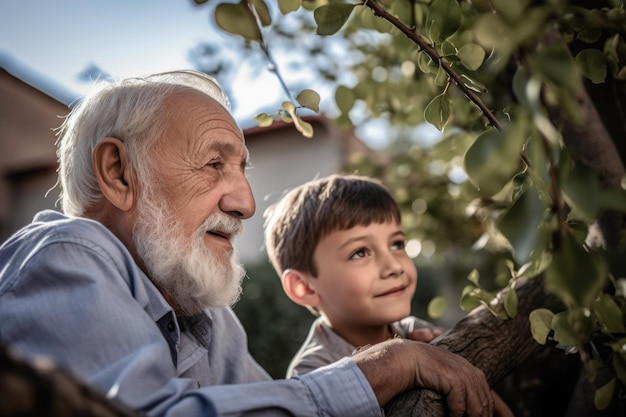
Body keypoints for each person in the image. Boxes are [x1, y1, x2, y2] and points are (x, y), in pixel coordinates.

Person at [0, 70, 495, 417]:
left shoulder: (205, 313)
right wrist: (379, 371)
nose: (246, 203)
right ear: (119, 173)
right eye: (214, 165)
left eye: (242, 170)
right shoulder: (67, 251)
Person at [263, 173, 514, 416]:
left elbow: (479, 393)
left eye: (397, 244)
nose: (394, 266)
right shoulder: (312, 377)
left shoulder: (416, 333)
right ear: (304, 287)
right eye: (360, 252)